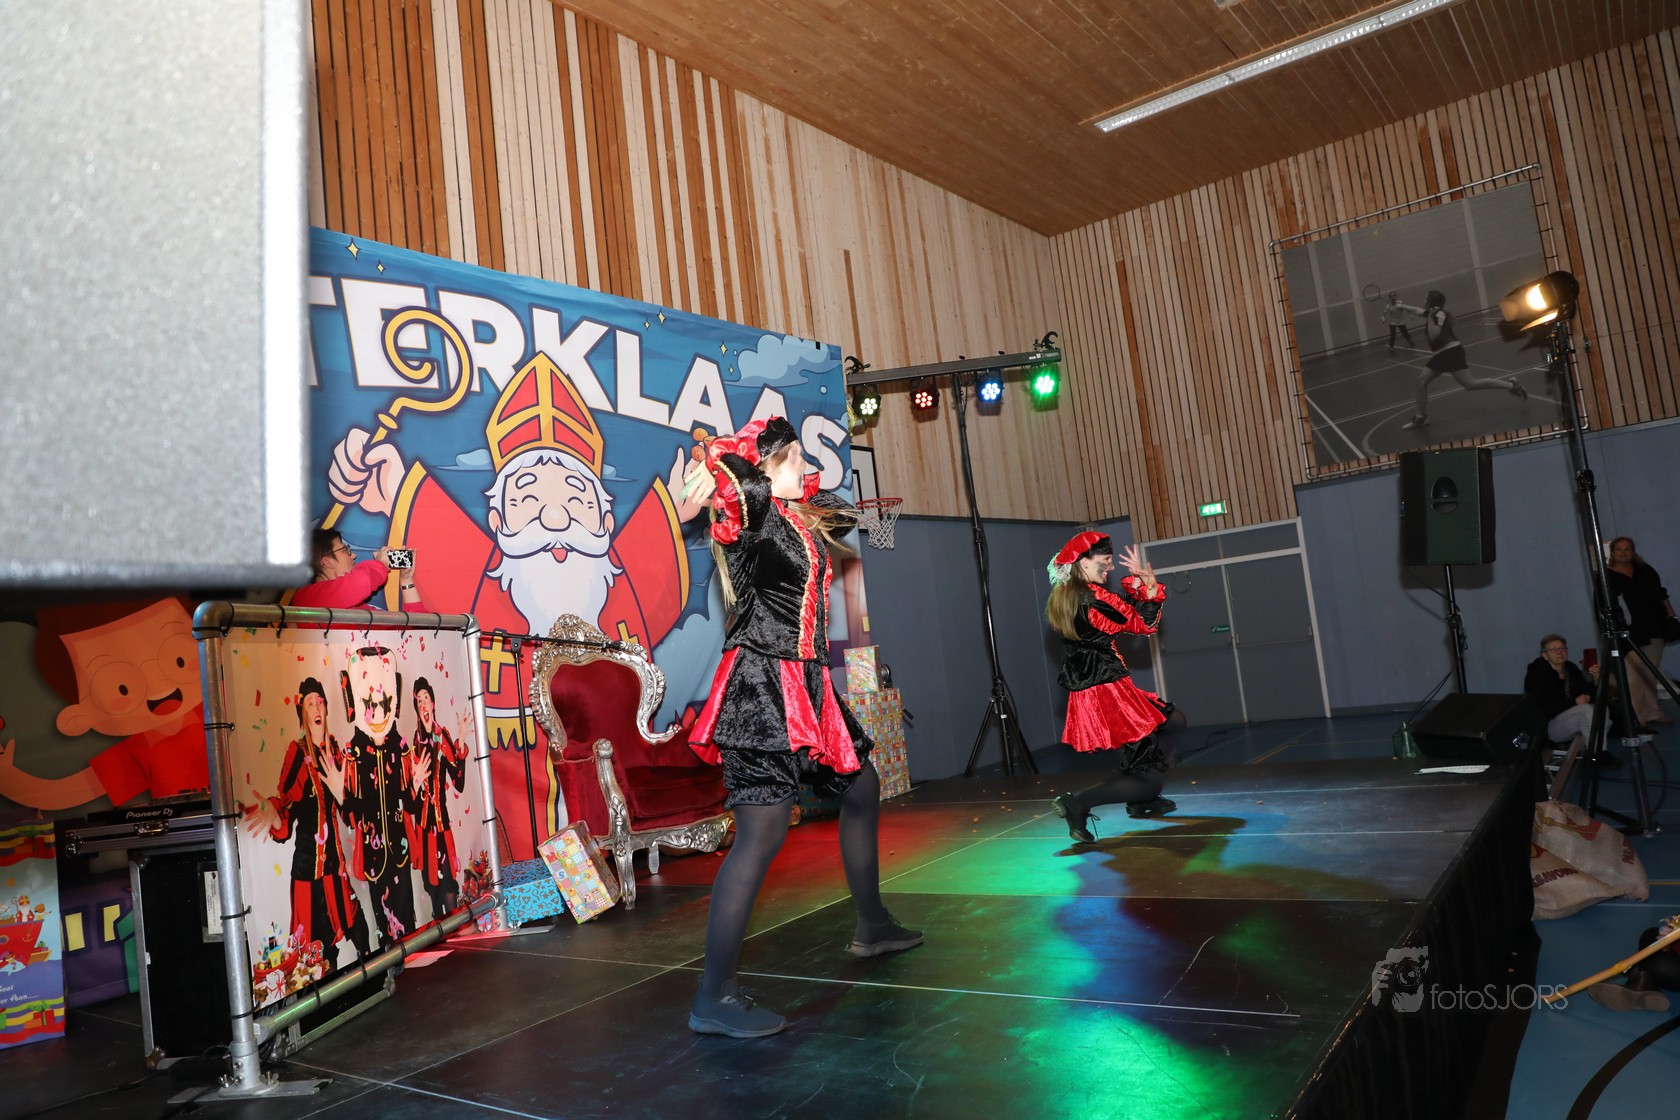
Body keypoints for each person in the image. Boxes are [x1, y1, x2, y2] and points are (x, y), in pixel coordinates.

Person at [683, 417, 921, 1039]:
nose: (805, 468)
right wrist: (721, 465)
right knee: (761, 835)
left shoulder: (796, 517)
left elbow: (834, 507)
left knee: (862, 788)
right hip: (762, 686)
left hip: (808, 686)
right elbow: (728, 490)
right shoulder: (757, 514)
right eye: (794, 459)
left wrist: (793, 481)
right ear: (766, 470)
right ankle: (714, 996)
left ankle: (872, 925)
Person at [1045, 532, 1186, 843]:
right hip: (1108, 689)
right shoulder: (1094, 598)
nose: (1109, 568)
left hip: (1099, 684)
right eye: (1104, 561)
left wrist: (1138, 587)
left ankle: (1142, 794)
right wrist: (1148, 588)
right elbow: (1142, 625)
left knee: (1174, 722)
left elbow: (1122, 614)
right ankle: (1079, 802)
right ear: (1083, 562)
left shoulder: (1070, 594)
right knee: (1148, 779)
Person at [241, 677, 372, 970]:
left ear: (326, 709)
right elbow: (285, 810)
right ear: (303, 713)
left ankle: (373, 982)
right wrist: (273, 812)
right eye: (310, 703)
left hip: (335, 868)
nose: (316, 708)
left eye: (320, 702)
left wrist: (340, 792)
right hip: (307, 874)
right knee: (320, 952)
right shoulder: (297, 753)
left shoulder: (337, 753)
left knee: (358, 929)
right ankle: (327, 998)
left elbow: (352, 818)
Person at [1398, 289, 1526, 431]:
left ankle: (1511, 385)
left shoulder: (1437, 314)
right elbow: (1417, 311)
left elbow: (1434, 335)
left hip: (1450, 352)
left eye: (1425, 299)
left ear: (1430, 302)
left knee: (1469, 384)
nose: (1423, 302)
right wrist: (1403, 306)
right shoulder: (1434, 313)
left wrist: (1429, 318)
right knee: (1423, 382)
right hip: (1442, 353)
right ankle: (1421, 417)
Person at [1605, 536, 1677, 728]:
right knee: (1634, 674)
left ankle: (1653, 712)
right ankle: (1637, 718)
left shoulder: (1646, 570)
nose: (1623, 553)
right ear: (1612, 552)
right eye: (1619, 549)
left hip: (1654, 626)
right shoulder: (1606, 576)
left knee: (1651, 672)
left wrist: (1671, 616)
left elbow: (1661, 594)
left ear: (1633, 551)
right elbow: (1603, 605)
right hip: (1629, 631)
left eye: (1627, 549)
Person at [292, 529, 427, 612]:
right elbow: (362, 581)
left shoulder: (362, 609)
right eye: (345, 550)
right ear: (327, 561)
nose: (354, 555)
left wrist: (407, 582)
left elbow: (417, 631)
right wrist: (381, 564)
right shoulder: (306, 599)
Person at [1522, 634, 1600, 751]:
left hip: (1571, 719)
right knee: (1586, 710)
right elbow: (1540, 707)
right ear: (1545, 655)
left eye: (1562, 648)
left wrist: (1596, 680)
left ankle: (1595, 752)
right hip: (1548, 727)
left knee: (1601, 710)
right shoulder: (1536, 674)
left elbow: (1589, 693)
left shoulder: (1571, 669)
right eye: (1554, 649)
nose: (1559, 652)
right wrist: (1574, 702)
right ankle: (1597, 754)